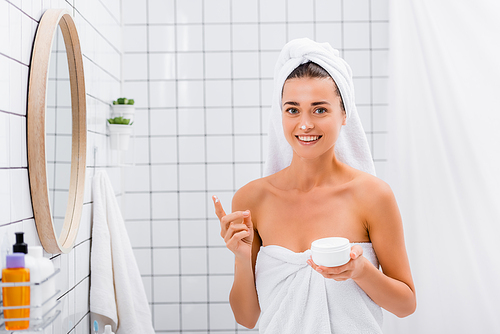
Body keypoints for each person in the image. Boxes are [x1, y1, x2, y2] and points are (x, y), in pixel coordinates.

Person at [212, 38, 416, 334]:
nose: (305, 124)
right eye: (292, 110)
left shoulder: (372, 196)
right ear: (279, 114)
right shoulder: (252, 199)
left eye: (319, 110)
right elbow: (247, 318)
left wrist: (360, 271)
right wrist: (243, 259)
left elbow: (405, 304)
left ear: (344, 115)